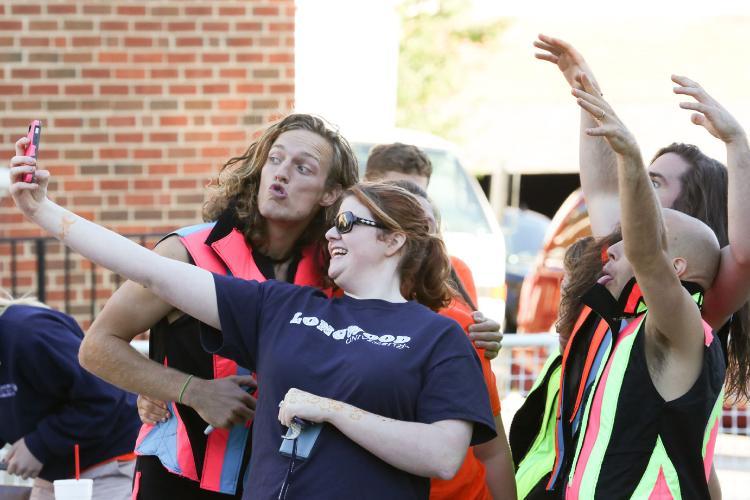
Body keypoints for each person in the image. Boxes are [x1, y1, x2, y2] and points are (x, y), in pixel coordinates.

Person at [9, 152, 499, 500]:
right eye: (333, 223)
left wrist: (332, 411)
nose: (331, 232)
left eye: (348, 224)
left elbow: (443, 455)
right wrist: (44, 211)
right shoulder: (281, 306)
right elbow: (152, 271)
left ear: (393, 241)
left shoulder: (439, 336)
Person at [60, 114, 357, 499]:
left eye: (303, 168)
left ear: (330, 193)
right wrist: (192, 390)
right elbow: (96, 346)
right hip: (176, 476)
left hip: (282, 480)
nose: (281, 173)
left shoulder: (334, 272)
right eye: (275, 158)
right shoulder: (187, 252)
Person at [513, 82, 725, 499]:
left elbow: (646, 255)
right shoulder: (624, 328)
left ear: (674, 267)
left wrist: (630, 160)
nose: (610, 248)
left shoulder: (684, 325)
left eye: (629, 239)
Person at [534, 33, 750, 404]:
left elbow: (745, 257)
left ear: (692, 210)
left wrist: (736, 143)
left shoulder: (700, 299)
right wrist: (587, 93)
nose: (638, 190)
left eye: (655, 183)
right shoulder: (622, 263)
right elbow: (603, 192)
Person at [365, 144, 515, 499]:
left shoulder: (456, 273)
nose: (410, 217)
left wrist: (486, 341)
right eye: (396, 196)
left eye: (420, 197)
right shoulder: (339, 289)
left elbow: (492, 440)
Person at [0, 291, 140, 500]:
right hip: (55, 475)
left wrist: (38, 445)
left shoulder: (29, 332)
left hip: (109, 465)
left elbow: (104, 396)